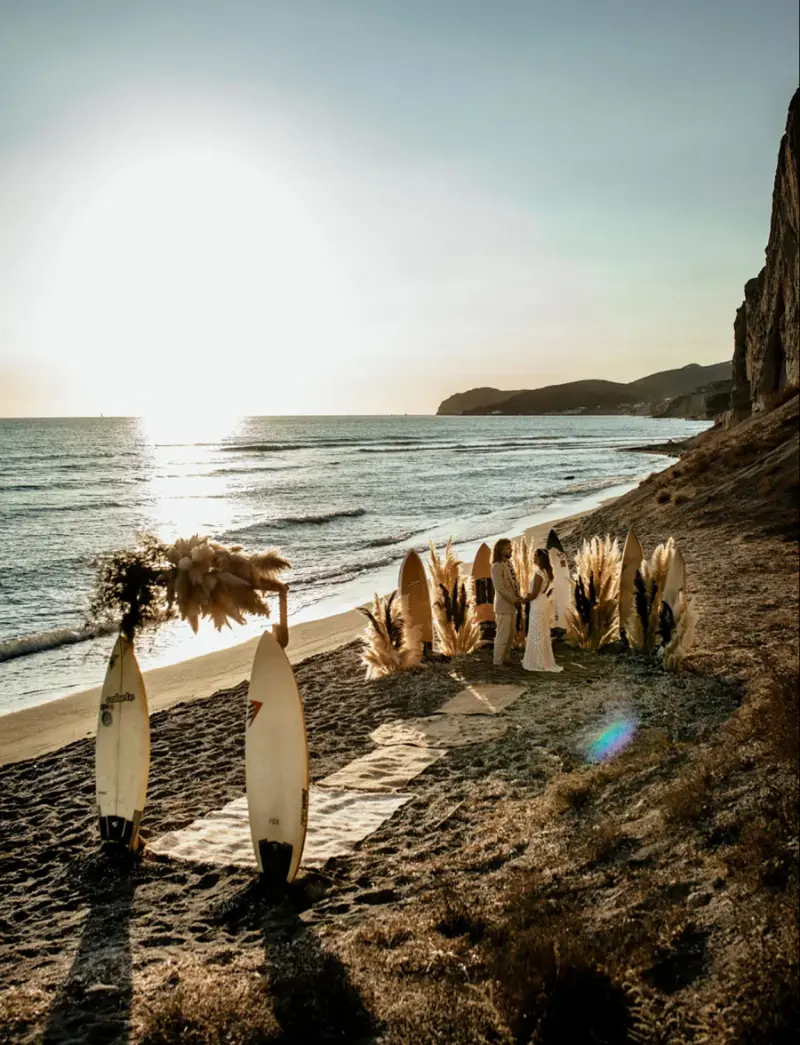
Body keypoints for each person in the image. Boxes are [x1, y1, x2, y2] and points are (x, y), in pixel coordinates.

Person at [522, 548, 564, 673]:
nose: (533, 558)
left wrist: (522, 599)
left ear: (541, 558)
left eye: (535, 556)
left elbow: (534, 594)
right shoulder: (547, 572)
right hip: (543, 601)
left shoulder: (539, 573)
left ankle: (537, 660)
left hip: (537, 604)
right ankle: (543, 659)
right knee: (542, 631)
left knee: (536, 631)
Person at [491, 538, 522, 666]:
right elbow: (500, 588)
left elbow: (514, 583)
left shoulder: (508, 563)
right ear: (501, 550)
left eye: (511, 548)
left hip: (512, 605)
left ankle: (506, 658)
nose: (511, 550)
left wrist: (518, 597)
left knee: (510, 635)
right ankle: (497, 663)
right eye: (508, 548)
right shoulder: (496, 567)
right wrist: (514, 599)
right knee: (502, 636)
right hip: (503, 606)